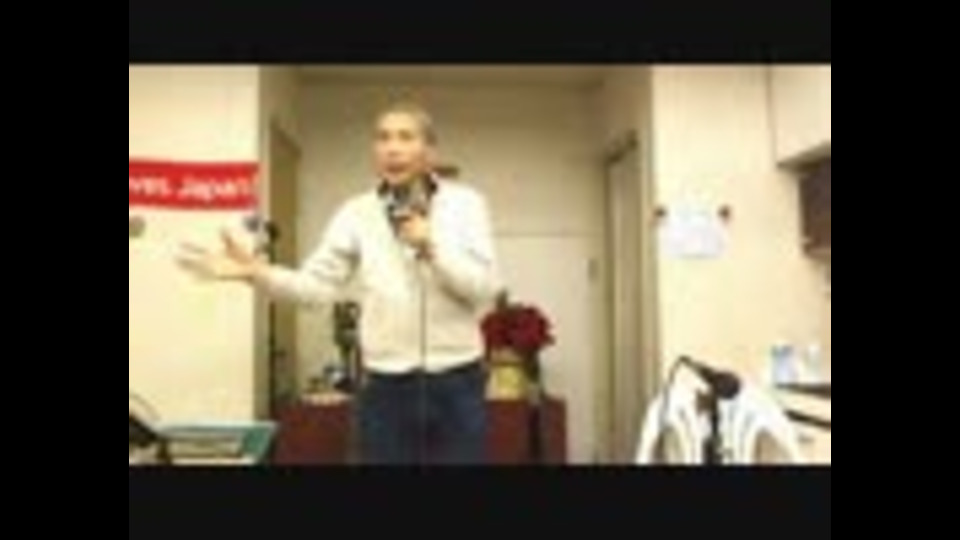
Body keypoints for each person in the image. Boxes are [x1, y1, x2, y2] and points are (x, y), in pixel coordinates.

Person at [178, 102, 502, 465]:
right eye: (383, 138)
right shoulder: (357, 213)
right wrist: (258, 273)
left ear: (429, 151)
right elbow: (315, 288)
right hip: (385, 385)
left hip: (457, 380)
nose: (392, 148)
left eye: (405, 137)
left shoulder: (466, 205)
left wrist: (433, 246)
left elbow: (483, 288)